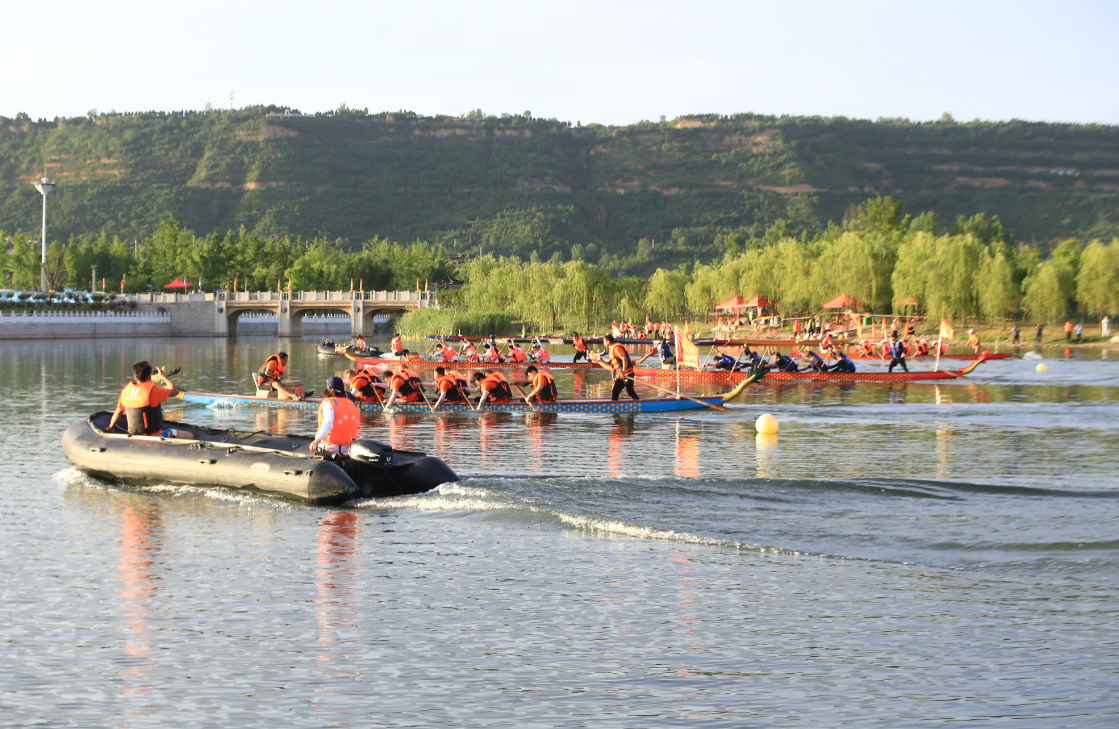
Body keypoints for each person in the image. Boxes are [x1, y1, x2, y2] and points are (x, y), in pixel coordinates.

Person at [107, 361, 190, 438]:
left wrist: (111, 427)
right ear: (150, 376)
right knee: (189, 435)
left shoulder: (125, 391)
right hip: (156, 435)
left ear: (135, 377)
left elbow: (118, 413)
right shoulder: (153, 390)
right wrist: (164, 377)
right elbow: (175, 391)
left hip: (134, 435)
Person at [309, 377, 360, 454]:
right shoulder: (354, 405)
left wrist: (317, 440)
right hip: (350, 449)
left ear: (328, 390)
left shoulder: (329, 403)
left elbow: (328, 422)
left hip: (331, 448)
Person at [596, 334, 639, 401]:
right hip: (620, 375)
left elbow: (624, 359)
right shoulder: (611, 349)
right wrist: (600, 360)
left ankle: (639, 403)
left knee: (630, 392)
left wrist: (624, 371)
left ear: (608, 342)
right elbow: (613, 363)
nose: (603, 343)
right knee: (615, 392)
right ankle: (614, 406)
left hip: (627, 374)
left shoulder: (616, 348)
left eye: (604, 341)